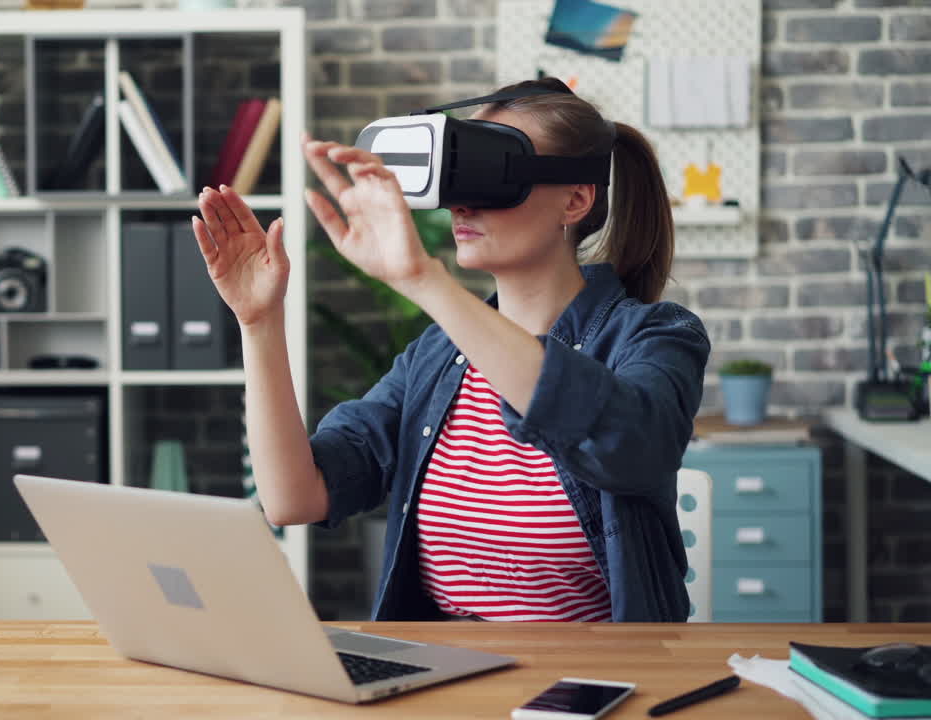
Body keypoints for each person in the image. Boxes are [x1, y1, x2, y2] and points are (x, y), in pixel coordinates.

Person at [190, 77, 710, 623]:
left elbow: (632, 446)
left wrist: (422, 279)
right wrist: (258, 321)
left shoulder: (656, 336)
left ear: (575, 201)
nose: (461, 203)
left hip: (594, 682)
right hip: (451, 674)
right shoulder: (436, 357)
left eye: (491, 174)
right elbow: (295, 498)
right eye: (457, 176)